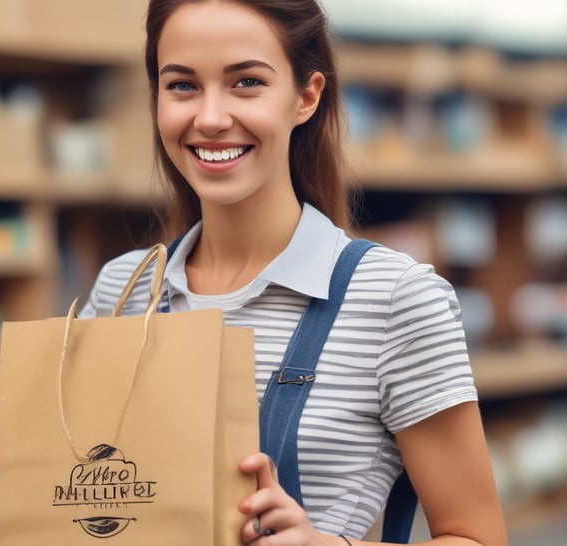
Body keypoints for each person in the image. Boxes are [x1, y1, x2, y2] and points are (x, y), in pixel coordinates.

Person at [79, 0, 508, 544]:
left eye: (246, 83)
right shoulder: (124, 290)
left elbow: (478, 535)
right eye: (182, 85)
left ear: (306, 97)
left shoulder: (396, 299)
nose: (209, 118)